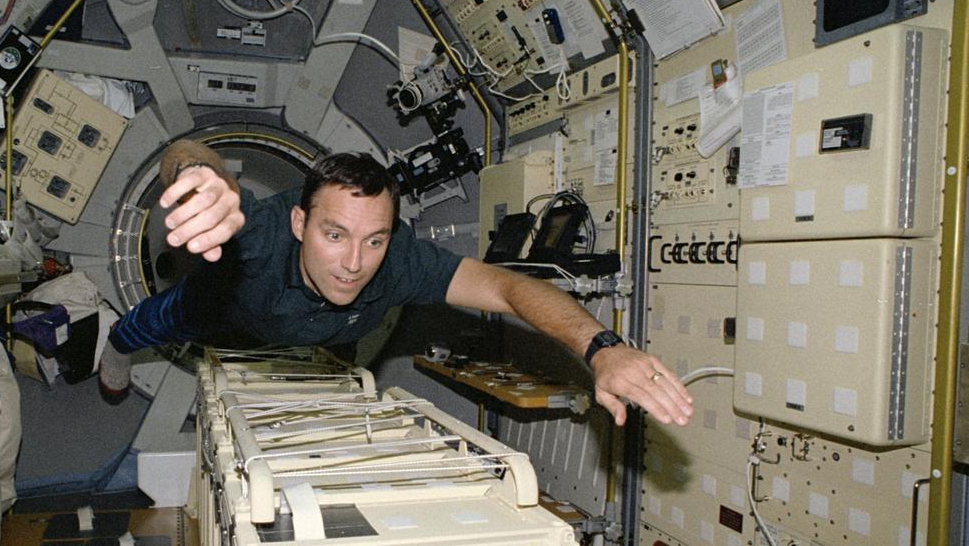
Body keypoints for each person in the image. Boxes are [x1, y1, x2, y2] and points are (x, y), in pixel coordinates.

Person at [98, 140, 692, 427]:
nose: (355, 262)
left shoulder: (400, 262)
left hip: (327, 332)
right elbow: (185, 152)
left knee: (342, 356)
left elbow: (511, 288)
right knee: (149, 322)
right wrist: (199, 174)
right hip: (224, 313)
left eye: (374, 239)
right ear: (301, 223)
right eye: (334, 235)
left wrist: (600, 347)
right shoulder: (259, 231)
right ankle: (115, 354)